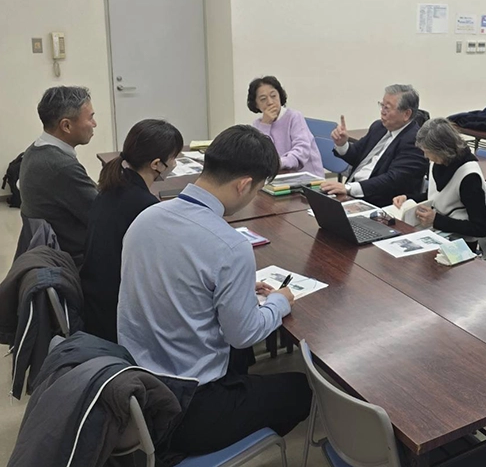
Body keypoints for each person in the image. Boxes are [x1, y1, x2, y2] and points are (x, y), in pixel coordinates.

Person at [117, 125, 311, 455]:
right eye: (257, 189)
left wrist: (232, 288)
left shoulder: (146, 218)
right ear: (244, 185)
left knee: (242, 363)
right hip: (185, 408)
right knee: (300, 389)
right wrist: (279, 302)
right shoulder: (230, 246)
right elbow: (243, 335)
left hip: (136, 383)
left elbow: (175, 277)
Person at [80, 119, 183, 343]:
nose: (175, 163)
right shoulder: (143, 206)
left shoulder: (113, 185)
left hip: (96, 302)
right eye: (174, 157)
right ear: (157, 164)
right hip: (116, 318)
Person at [19, 86, 98, 264]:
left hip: (52, 249)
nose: (94, 124)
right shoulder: (61, 166)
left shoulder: (35, 150)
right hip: (76, 258)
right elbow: (102, 216)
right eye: (90, 118)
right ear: (66, 126)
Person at [321, 84, 427, 207]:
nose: (382, 112)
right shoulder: (379, 127)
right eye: (382, 105)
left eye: (387, 108)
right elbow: (357, 155)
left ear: (406, 114)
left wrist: (349, 188)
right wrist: (342, 144)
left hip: (378, 203)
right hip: (352, 194)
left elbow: (392, 180)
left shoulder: (415, 141)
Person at [392, 118, 486, 240]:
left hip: (460, 241)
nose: (425, 156)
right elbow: (436, 196)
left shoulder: (469, 177)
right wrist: (408, 198)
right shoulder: (438, 161)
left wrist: (436, 220)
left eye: (427, 152)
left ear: (442, 150)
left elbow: (481, 228)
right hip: (436, 232)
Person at [248, 76, 324, 176]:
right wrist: (265, 125)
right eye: (263, 99)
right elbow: (260, 155)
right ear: (256, 104)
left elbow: (302, 150)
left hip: (305, 176)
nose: (270, 102)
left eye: (273, 96)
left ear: (280, 96)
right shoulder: (258, 124)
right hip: (275, 177)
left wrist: (280, 163)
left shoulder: (294, 117)